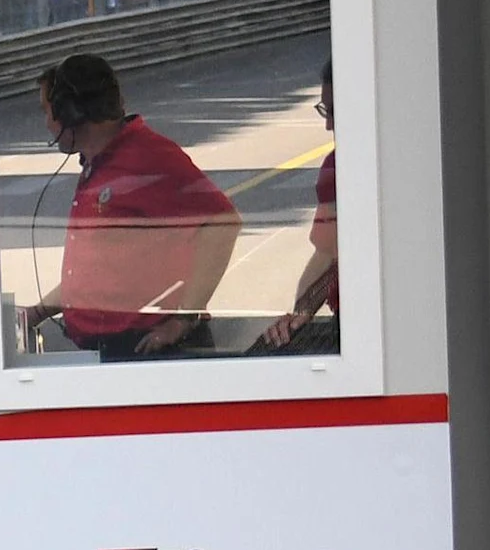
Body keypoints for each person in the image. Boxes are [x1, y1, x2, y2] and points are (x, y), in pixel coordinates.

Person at [19, 54, 241, 358]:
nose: (46, 123)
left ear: (70, 112)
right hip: (107, 349)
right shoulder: (97, 166)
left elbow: (222, 222)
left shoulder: (149, 158)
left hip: (142, 349)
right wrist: (35, 313)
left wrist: (182, 319)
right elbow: (94, 278)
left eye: (48, 111)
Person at [257, 63, 340, 353]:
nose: (328, 126)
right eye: (325, 111)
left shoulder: (339, 168)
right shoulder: (335, 167)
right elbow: (328, 253)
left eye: (335, 113)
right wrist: (299, 313)